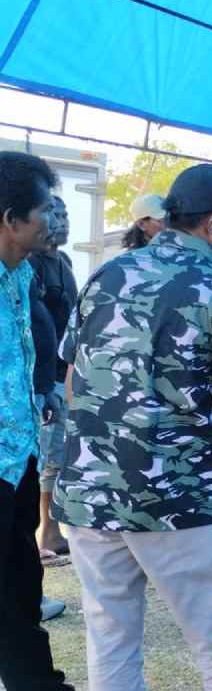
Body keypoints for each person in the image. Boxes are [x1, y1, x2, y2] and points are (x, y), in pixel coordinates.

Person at [58, 163, 212, 690]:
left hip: (89, 493)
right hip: (175, 495)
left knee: (110, 637)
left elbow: (73, 378)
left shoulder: (107, 274)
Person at [0, 151, 76, 691]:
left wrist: (39, 391)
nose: (54, 220)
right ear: (11, 219)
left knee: (22, 576)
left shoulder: (22, 273)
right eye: (46, 209)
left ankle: (37, 680)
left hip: (19, 451)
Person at [29, 196, 76, 559]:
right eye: (53, 214)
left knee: (58, 455)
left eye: (64, 214)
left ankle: (50, 531)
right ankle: (44, 533)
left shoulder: (64, 261)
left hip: (63, 374)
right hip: (41, 381)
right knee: (47, 456)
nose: (61, 221)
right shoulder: (29, 265)